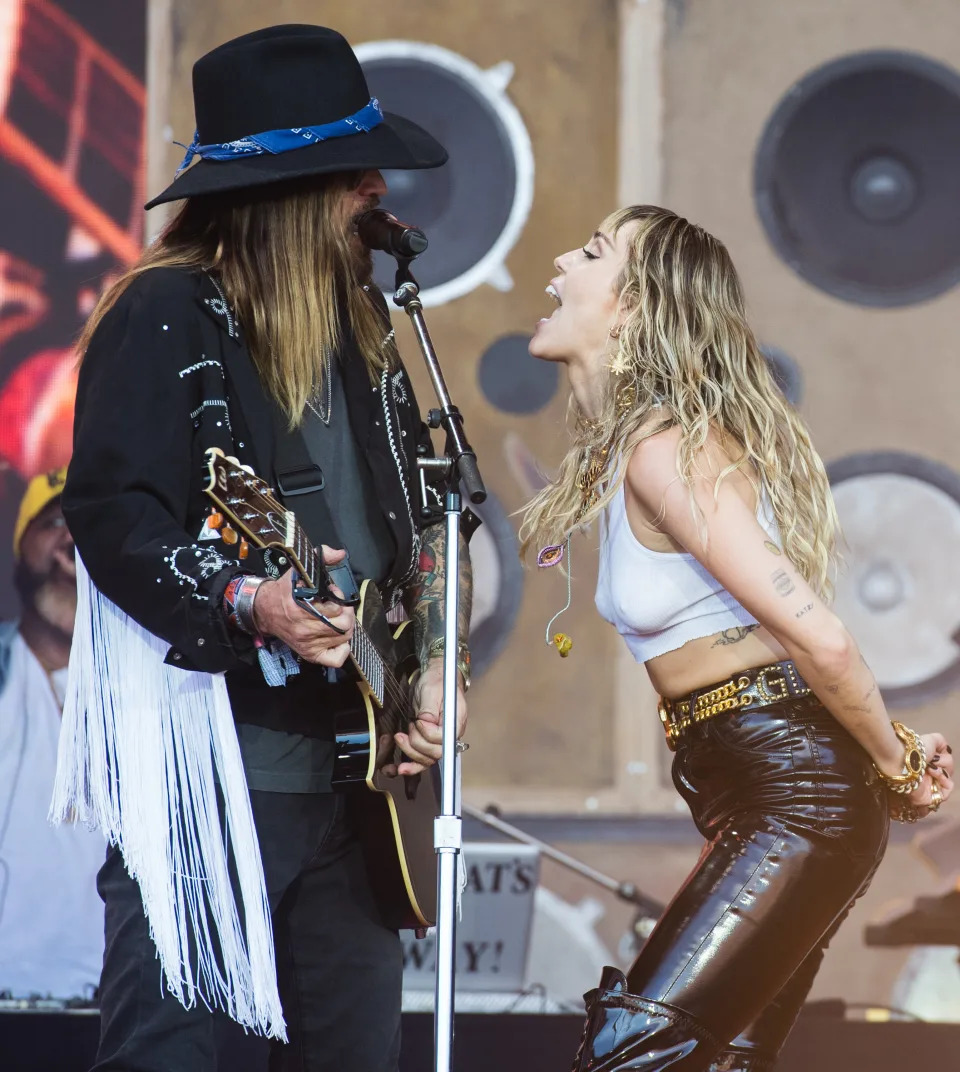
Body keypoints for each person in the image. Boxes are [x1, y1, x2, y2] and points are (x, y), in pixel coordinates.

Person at [53, 25, 472, 1072]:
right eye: (352, 176)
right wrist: (249, 598)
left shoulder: (367, 324)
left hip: (358, 792)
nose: (376, 189)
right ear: (291, 190)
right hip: (215, 779)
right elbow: (113, 514)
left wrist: (434, 669)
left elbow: (422, 518)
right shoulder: (161, 314)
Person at [520, 205, 954, 1072]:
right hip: (767, 779)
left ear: (636, 306)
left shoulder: (664, 448)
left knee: (633, 1053)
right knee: (717, 1065)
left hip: (796, 793)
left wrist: (896, 764)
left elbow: (820, 641)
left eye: (595, 250)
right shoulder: (635, 450)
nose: (562, 258)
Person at [0, 467, 104, 1000]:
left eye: (87, 525)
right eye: (53, 522)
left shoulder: (161, 695)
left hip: (120, 1006)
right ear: (20, 549)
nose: (70, 541)